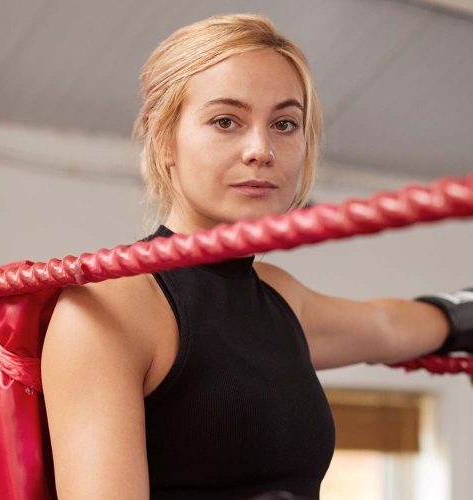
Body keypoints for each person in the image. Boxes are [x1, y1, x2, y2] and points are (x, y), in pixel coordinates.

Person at [40, 13, 470, 500]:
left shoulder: (278, 295)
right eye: (226, 121)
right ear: (165, 141)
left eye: (285, 124)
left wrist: (463, 313)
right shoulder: (107, 309)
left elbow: (387, 326)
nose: (261, 150)